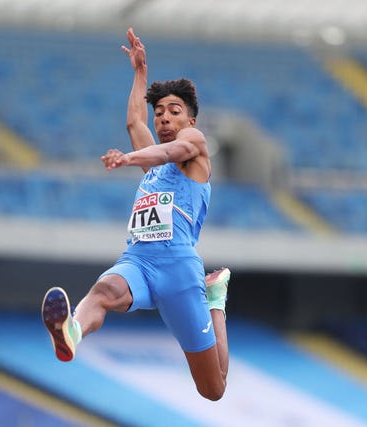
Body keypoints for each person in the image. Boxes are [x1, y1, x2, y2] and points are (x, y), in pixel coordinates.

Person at [41, 28, 230, 401]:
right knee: (105, 289)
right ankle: (71, 332)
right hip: (139, 261)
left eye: (173, 112)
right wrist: (139, 72)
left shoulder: (194, 145)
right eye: (158, 112)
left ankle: (216, 301)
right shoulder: (154, 166)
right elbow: (133, 124)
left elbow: (164, 153)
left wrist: (129, 158)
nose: (163, 118)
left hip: (179, 270)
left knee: (213, 389)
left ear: (190, 121)